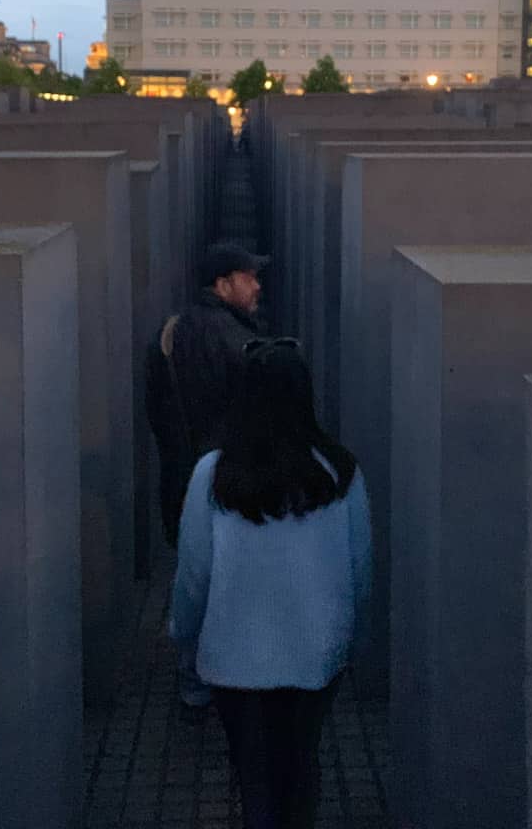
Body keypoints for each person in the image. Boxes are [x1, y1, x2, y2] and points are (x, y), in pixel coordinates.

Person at [168, 339, 373, 829]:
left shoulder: (212, 475)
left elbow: (194, 572)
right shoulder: (341, 472)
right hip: (316, 652)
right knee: (301, 767)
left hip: (234, 656)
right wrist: (356, 642)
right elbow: (361, 566)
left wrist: (184, 638)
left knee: (255, 777)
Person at [145, 241, 269, 710]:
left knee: (195, 571)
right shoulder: (240, 343)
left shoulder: (170, 332)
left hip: (182, 475)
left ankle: (194, 676)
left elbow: (154, 409)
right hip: (227, 478)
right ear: (223, 284)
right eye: (249, 276)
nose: (257, 285)